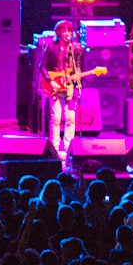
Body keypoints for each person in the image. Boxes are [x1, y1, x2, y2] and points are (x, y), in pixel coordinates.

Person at [39, 20, 84, 161]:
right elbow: (42, 66)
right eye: (63, 31)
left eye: (69, 31)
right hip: (55, 84)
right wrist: (50, 81)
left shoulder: (76, 48)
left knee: (71, 118)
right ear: (58, 33)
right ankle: (54, 148)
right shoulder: (51, 47)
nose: (66, 33)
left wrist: (78, 78)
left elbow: (77, 65)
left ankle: (68, 147)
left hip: (70, 85)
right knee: (56, 118)